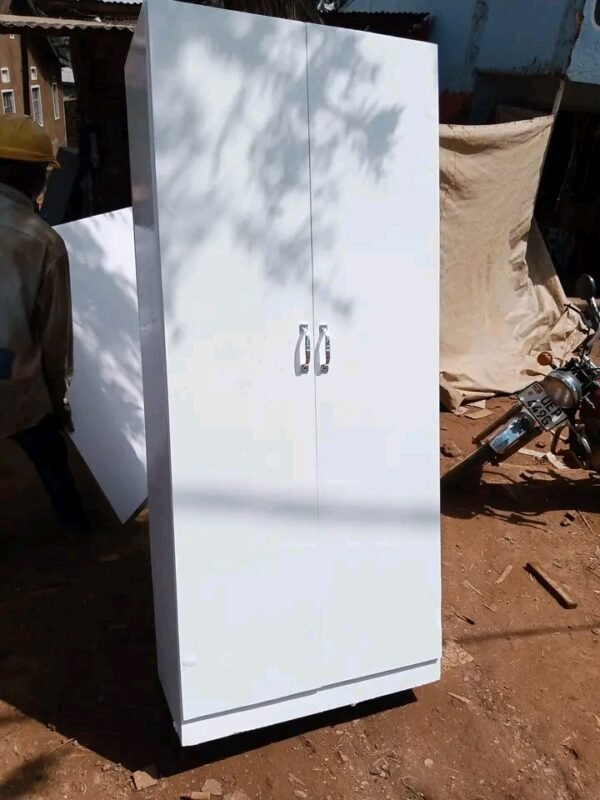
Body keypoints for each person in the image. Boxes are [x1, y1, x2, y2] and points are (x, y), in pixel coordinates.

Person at [0, 114, 87, 536]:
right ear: (29, 175)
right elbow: (54, 338)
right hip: (14, 378)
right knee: (49, 453)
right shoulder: (43, 242)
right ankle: (75, 530)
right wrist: (57, 402)